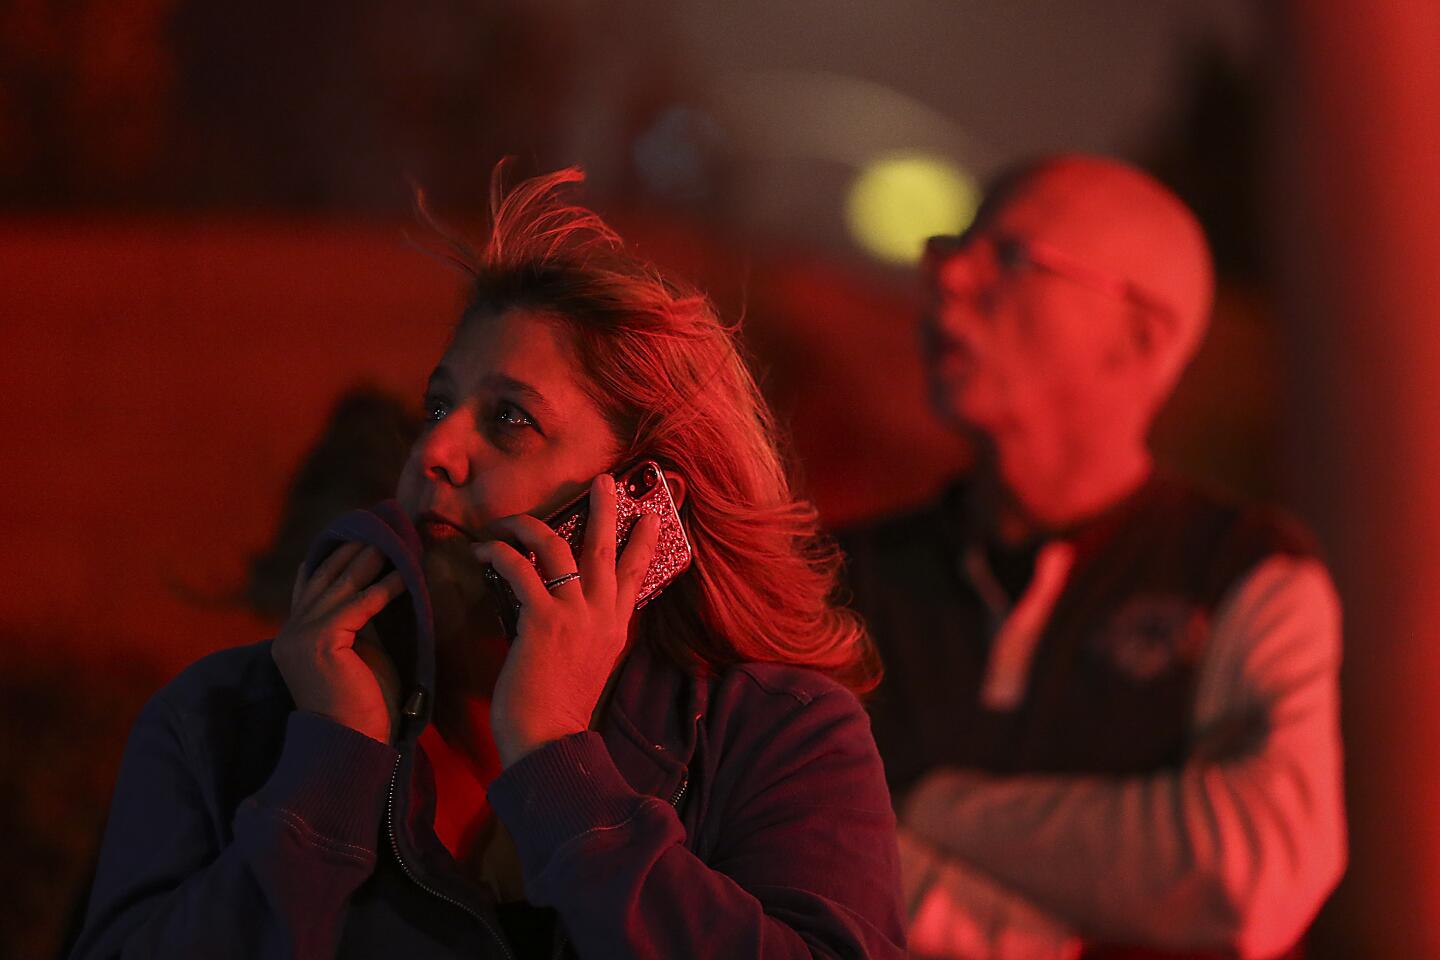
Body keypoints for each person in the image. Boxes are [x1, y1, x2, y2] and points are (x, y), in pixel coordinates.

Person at [71, 168, 906, 959]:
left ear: (643, 501)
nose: (434, 448)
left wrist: (560, 768)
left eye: (508, 419)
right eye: (438, 405)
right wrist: (324, 775)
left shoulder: (782, 736)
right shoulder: (225, 720)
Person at [837, 155, 1344, 960]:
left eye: (1008, 257)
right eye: (952, 246)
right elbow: (781, 844)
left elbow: (1252, 875)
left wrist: (921, 808)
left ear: (1137, 338)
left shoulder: (1249, 576)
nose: (948, 279)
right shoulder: (838, 582)